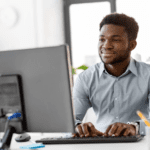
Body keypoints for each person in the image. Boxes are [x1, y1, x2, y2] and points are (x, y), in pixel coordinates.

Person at [72, 13, 150, 138]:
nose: (106, 45)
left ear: (132, 45)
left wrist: (135, 127)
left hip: (141, 144)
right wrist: (78, 127)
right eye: (102, 39)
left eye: (115, 39)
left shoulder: (148, 75)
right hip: (100, 143)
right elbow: (72, 119)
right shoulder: (85, 78)